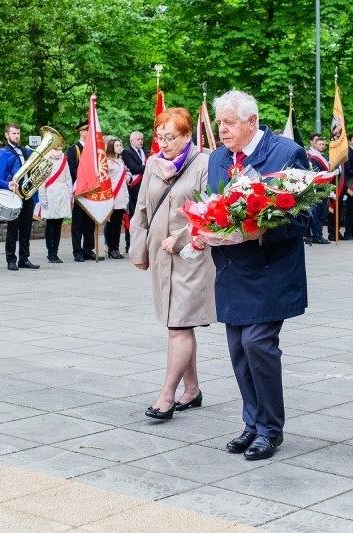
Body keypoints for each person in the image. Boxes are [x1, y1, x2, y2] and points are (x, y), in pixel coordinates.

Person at [208, 90, 310, 461]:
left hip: (272, 271)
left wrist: (261, 230)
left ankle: (270, 429)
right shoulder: (218, 159)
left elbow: (305, 216)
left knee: (257, 345)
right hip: (232, 271)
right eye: (220, 122)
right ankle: (252, 424)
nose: (222, 129)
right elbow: (214, 204)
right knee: (238, 350)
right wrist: (207, 229)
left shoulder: (285, 153)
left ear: (252, 122)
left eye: (230, 122)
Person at [130, 108, 216, 420]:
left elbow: (210, 210)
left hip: (191, 255)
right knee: (175, 321)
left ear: (187, 136)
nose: (164, 143)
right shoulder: (152, 163)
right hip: (159, 255)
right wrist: (139, 251)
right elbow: (141, 209)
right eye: (160, 137)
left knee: (179, 324)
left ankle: (166, 396)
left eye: (171, 137)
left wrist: (180, 238)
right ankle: (191, 390)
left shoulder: (205, 163)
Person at [0, 123, 39, 271]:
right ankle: (11, 259)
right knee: (13, 228)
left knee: (26, 228)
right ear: (6, 135)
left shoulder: (25, 151)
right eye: (13, 133)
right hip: (13, 194)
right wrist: (8, 184)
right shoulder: (3, 153)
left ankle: (24, 258)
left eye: (18, 133)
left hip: (27, 193)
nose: (17, 136)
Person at [66, 122, 97, 262]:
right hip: (80, 189)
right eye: (87, 130)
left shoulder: (93, 149)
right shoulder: (74, 149)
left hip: (92, 190)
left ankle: (88, 249)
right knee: (78, 223)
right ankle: (77, 251)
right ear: (81, 132)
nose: (89, 132)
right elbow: (72, 169)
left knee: (90, 221)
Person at [36, 147, 73, 263]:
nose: (58, 148)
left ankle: (55, 252)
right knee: (50, 224)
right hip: (49, 193)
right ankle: (50, 252)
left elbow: (68, 177)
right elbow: (41, 180)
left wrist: (70, 193)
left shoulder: (64, 159)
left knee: (58, 225)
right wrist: (42, 197)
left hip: (62, 193)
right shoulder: (44, 159)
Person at [104, 138, 129, 259]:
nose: (119, 147)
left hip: (121, 196)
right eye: (117, 145)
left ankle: (116, 248)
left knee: (118, 223)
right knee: (111, 223)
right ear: (111, 147)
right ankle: (111, 248)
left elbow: (124, 175)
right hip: (112, 195)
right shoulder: (108, 162)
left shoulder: (121, 160)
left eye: (120, 145)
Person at [122, 131, 147, 253]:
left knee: (143, 219)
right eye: (138, 139)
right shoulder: (127, 152)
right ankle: (129, 244)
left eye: (141, 139)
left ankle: (142, 244)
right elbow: (134, 168)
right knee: (132, 218)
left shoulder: (144, 152)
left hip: (144, 189)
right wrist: (151, 165)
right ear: (131, 141)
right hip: (133, 190)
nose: (140, 141)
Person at [306, 132, 329, 244]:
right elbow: (316, 173)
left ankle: (319, 235)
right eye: (319, 144)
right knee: (317, 213)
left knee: (322, 214)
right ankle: (315, 235)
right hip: (317, 187)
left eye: (323, 144)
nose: (322, 146)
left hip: (324, 187)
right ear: (314, 144)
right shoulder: (314, 158)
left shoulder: (323, 156)